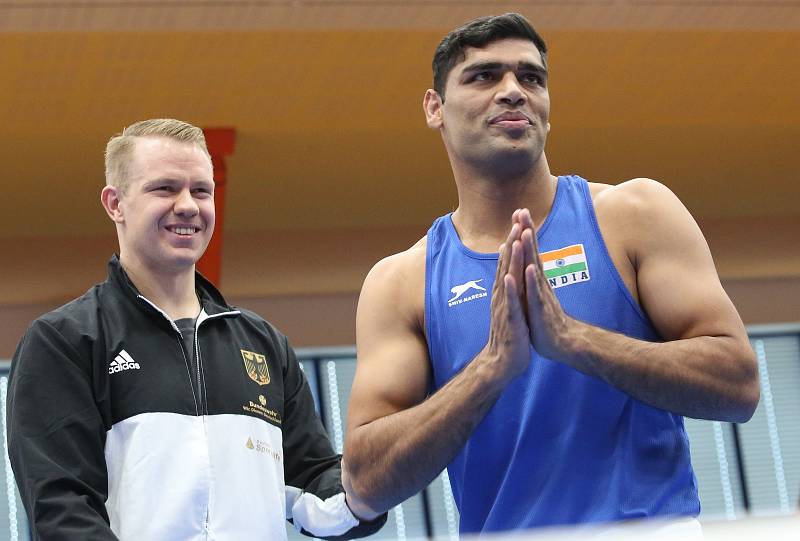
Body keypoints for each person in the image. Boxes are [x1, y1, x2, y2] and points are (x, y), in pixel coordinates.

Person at [341, 13, 759, 534]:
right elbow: (363, 483)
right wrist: (491, 368)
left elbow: (739, 385)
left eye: (531, 77)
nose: (513, 91)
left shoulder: (635, 214)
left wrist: (575, 340)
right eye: (483, 76)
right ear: (434, 108)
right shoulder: (399, 281)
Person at [7, 119, 385, 540]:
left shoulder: (263, 344)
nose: (188, 205)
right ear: (115, 203)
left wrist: (370, 489)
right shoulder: (64, 341)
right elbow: (63, 511)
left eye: (202, 191)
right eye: (165, 188)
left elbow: (313, 488)